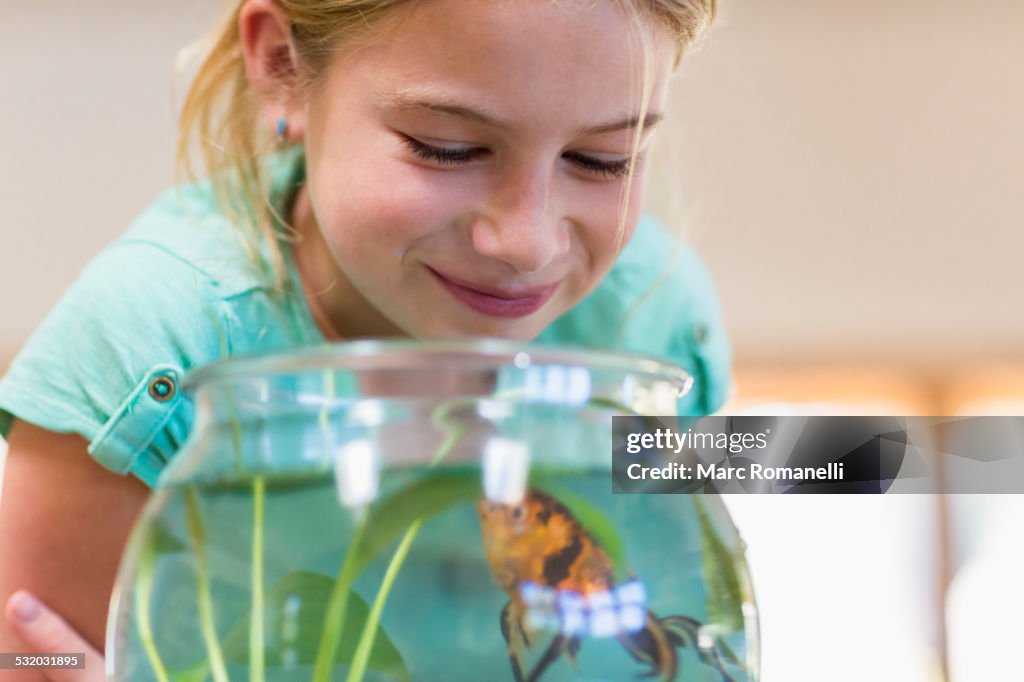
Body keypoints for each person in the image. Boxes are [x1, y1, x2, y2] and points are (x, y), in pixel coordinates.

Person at [0, 0, 727, 679]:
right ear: (284, 67)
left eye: (603, 160)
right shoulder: (151, 346)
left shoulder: (656, 319)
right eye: (449, 147)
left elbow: (784, 484)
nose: (526, 244)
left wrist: (817, 456)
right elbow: (29, 657)